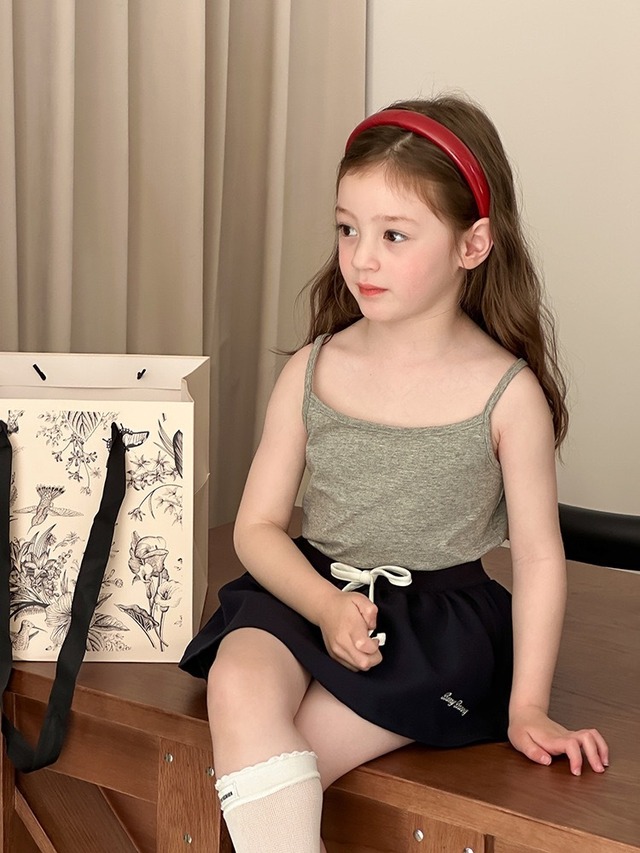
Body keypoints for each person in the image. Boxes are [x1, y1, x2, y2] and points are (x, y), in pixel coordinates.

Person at [179, 94, 609, 852]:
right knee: (237, 679)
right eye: (347, 228)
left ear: (472, 245)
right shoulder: (312, 369)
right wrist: (323, 605)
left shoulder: (508, 395)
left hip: (434, 630)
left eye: (394, 234)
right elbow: (257, 528)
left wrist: (528, 706)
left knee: (292, 761)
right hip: (309, 590)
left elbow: (540, 558)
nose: (362, 258)